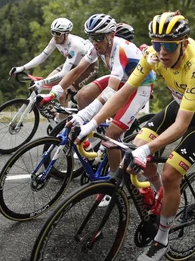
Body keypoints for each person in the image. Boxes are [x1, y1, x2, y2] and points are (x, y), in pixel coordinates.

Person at [74, 11, 195, 261]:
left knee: (170, 173)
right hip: (180, 104)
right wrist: (91, 122)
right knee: (135, 150)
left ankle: (163, 238)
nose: (162, 52)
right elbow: (123, 94)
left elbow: (181, 126)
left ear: (184, 44)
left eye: (169, 46)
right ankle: (162, 197)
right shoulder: (152, 56)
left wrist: (147, 151)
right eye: (157, 44)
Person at [42, 14, 154, 173]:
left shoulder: (119, 49)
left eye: (99, 37)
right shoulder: (98, 46)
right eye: (91, 37)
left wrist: (85, 117)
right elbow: (77, 70)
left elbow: (110, 92)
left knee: (112, 134)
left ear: (111, 35)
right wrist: (55, 92)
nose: (94, 42)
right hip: (124, 78)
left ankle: (113, 180)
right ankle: (93, 139)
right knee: (83, 95)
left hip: (141, 86)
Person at [9, 17, 94, 106]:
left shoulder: (74, 46)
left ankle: (70, 116)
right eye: (52, 32)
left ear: (66, 34)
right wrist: (22, 68)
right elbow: (42, 57)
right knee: (47, 84)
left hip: (88, 67)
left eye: (58, 33)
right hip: (72, 64)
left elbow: (64, 72)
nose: (54, 36)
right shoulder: (55, 40)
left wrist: (43, 81)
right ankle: (59, 115)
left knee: (63, 95)